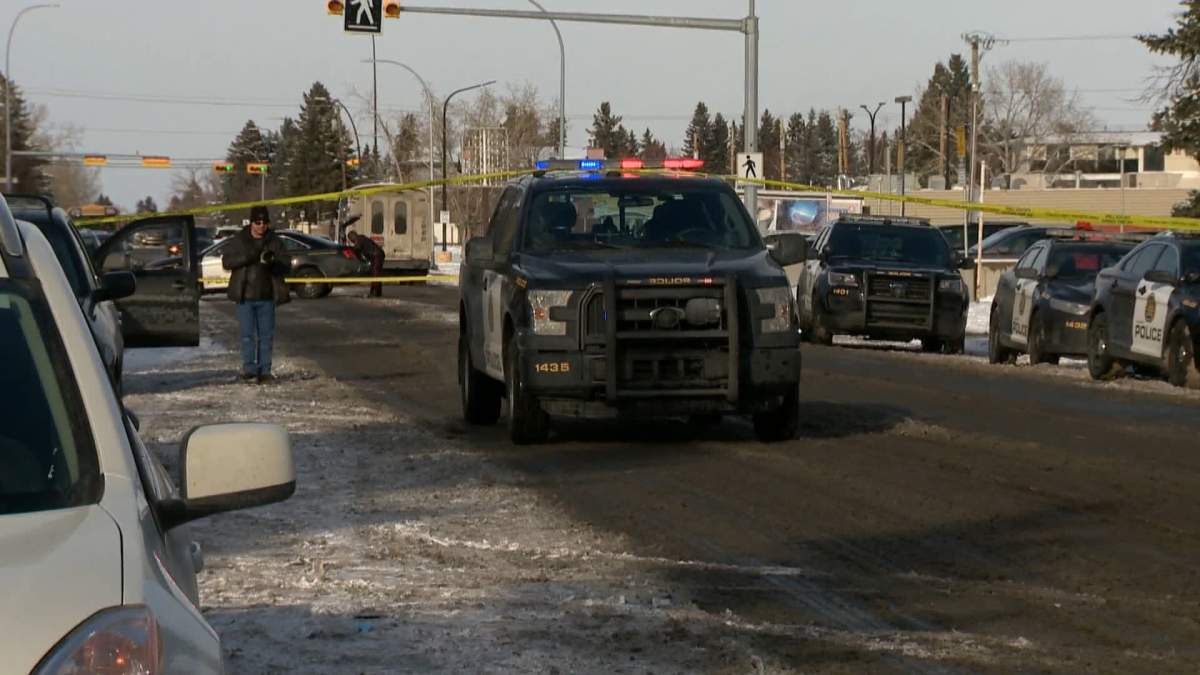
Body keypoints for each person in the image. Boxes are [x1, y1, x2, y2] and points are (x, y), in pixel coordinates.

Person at [222, 206, 291, 384]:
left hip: (266, 296)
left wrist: (273, 262)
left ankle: (265, 370)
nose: (261, 226)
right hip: (245, 295)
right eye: (258, 222)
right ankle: (249, 369)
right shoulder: (240, 240)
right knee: (247, 335)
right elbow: (227, 262)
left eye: (264, 223)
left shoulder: (274, 241)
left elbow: (286, 264)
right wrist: (250, 256)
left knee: (266, 336)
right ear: (251, 222)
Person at [347, 229, 385, 298]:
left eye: (350, 238)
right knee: (376, 273)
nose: (351, 241)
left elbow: (357, 249)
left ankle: (374, 292)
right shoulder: (361, 238)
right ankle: (377, 292)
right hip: (377, 255)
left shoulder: (359, 239)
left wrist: (351, 253)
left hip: (376, 255)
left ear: (353, 236)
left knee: (375, 273)